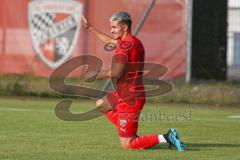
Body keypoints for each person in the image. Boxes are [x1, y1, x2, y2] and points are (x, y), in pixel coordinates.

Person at [81, 11, 184, 151]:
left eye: (114, 27)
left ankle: (166, 137)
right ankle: (131, 134)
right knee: (102, 104)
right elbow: (110, 42)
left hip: (129, 98)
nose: (111, 30)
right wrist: (90, 28)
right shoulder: (135, 42)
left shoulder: (124, 47)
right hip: (129, 92)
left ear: (124, 27)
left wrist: (96, 75)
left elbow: (117, 72)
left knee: (127, 145)